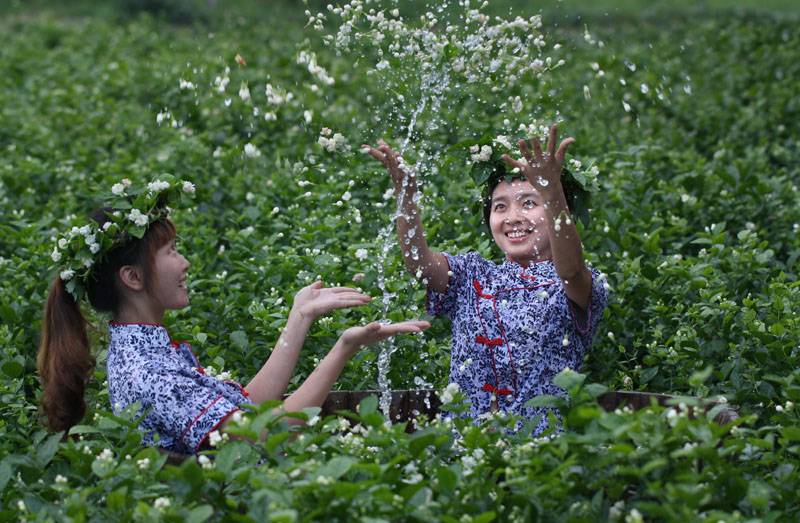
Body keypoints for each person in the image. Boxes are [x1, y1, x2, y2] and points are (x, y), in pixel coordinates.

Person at [37, 177, 429, 454]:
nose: (185, 262)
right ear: (133, 277)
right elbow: (262, 435)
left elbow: (246, 409)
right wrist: (342, 349)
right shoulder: (150, 373)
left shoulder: (146, 351)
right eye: (172, 251)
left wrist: (299, 317)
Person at [364, 124, 608, 434]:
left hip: (542, 454)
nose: (513, 217)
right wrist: (406, 197)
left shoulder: (580, 282)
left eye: (529, 203)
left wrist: (551, 190)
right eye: (500, 206)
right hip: (467, 448)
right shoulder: (472, 273)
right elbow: (420, 265)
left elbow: (571, 270)